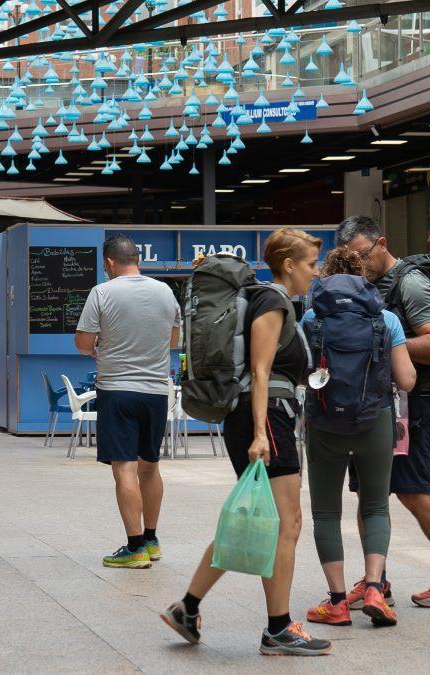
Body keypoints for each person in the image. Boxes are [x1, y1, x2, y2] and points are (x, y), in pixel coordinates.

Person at [162, 228, 332, 656]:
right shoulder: (272, 302)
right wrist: (260, 432)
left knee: (253, 520)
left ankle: (188, 606)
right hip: (266, 419)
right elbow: (259, 372)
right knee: (285, 525)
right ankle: (278, 628)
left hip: (263, 418)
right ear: (289, 265)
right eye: (311, 264)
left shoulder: (274, 301)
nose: (316, 271)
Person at [300, 245, 414, 627]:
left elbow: (305, 372)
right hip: (375, 421)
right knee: (376, 506)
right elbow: (407, 380)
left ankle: (335, 603)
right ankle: (376, 590)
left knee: (327, 512)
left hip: (324, 423)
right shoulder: (385, 319)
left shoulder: (312, 317)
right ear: (365, 278)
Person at [339, 214, 430, 608]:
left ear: (382, 242)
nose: (359, 264)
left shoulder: (410, 283)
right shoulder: (364, 287)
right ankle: (377, 580)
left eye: (363, 254)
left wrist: (383, 341)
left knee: (414, 492)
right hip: (373, 405)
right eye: (350, 258)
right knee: (368, 496)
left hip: (413, 404)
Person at [75, 235, 179, 569]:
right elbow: (174, 339)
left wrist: (101, 343)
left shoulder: (102, 292)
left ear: (109, 263)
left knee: (125, 468)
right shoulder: (165, 291)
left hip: (117, 390)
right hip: (155, 391)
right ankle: (151, 539)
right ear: (138, 258)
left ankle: (134, 548)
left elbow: (82, 343)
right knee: (150, 466)